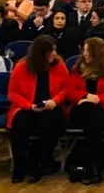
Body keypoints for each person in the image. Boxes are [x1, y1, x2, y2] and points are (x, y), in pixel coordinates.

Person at [5, 35, 68, 184]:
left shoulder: (59, 66)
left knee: (50, 125)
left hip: (52, 106)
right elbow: (12, 93)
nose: (54, 54)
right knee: (19, 126)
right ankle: (19, 166)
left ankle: (40, 164)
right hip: (27, 106)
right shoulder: (22, 66)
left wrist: (55, 100)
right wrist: (29, 106)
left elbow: (66, 89)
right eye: (50, 51)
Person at [65, 38, 104, 185]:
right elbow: (70, 91)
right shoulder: (77, 69)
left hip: (103, 108)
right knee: (89, 111)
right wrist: (85, 96)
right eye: (84, 50)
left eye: (88, 51)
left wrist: (98, 98)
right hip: (79, 109)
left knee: (92, 129)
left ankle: (92, 167)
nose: (85, 54)